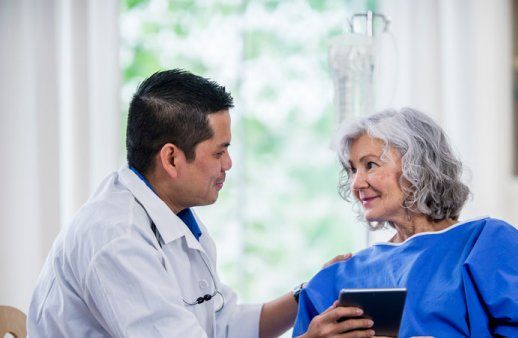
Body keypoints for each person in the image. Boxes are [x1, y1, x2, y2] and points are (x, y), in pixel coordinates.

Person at [27, 69, 375, 338]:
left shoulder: (176, 219)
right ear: (172, 159)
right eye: (219, 151)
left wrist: (308, 292)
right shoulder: (116, 237)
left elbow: (222, 325)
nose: (229, 164)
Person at [293, 108, 518, 337]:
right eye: (352, 169)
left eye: (370, 165)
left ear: (418, 166)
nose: (356, 183)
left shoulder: (487, 243)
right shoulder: (336, 277)